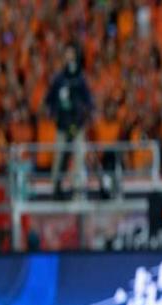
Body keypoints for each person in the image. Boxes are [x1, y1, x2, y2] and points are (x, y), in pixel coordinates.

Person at [45, 43, 93, 199]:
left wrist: (83, 114)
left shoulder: (80, 79)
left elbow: (89, 102)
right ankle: (55, 189)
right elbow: (49, 100)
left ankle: (77, 190)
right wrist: (54, 112)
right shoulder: (59, 79)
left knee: (78, 157)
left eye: (72, 54)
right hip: (62, 125)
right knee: (59, 156)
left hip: (77, 126)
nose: (69, 57)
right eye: (67, 54)